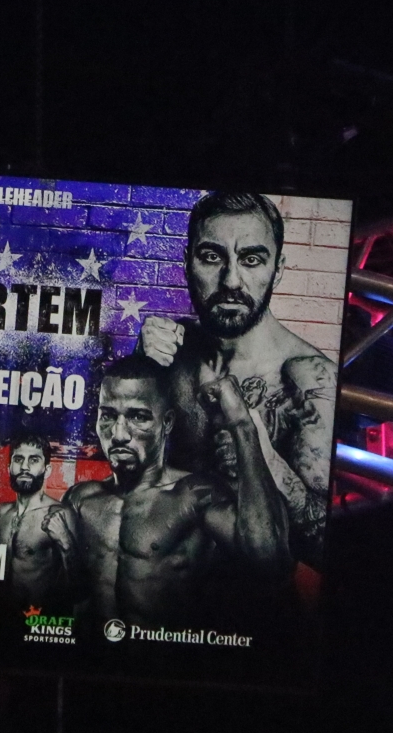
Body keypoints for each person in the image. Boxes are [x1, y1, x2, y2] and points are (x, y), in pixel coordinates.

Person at [138, 192, 337, 564]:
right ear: (187, 263)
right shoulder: (173, 352)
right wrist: (142, 369)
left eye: (251, 259)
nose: (231, 280)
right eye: (212, 257)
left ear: (278, 268)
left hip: (250, 596)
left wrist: (262, 456)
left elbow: (320, 546)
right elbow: (132, 476)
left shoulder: (308, 380)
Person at [63, 355, 289, 626]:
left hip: (165, 651)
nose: (119, 434)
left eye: (138, 416)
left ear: (167, 423)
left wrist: (242, 424)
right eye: (108, 416)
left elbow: (269, 560)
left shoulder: (194, 495)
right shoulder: (80, 499)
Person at [0, 430, 75, 607]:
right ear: (9, 468)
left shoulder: (60, 514)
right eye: (18, 459)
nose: (24, 467)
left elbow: (80, 587)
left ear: (47, 470)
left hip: (36, 616)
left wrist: (66, 543)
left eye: (33, 460)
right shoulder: (0, 512)